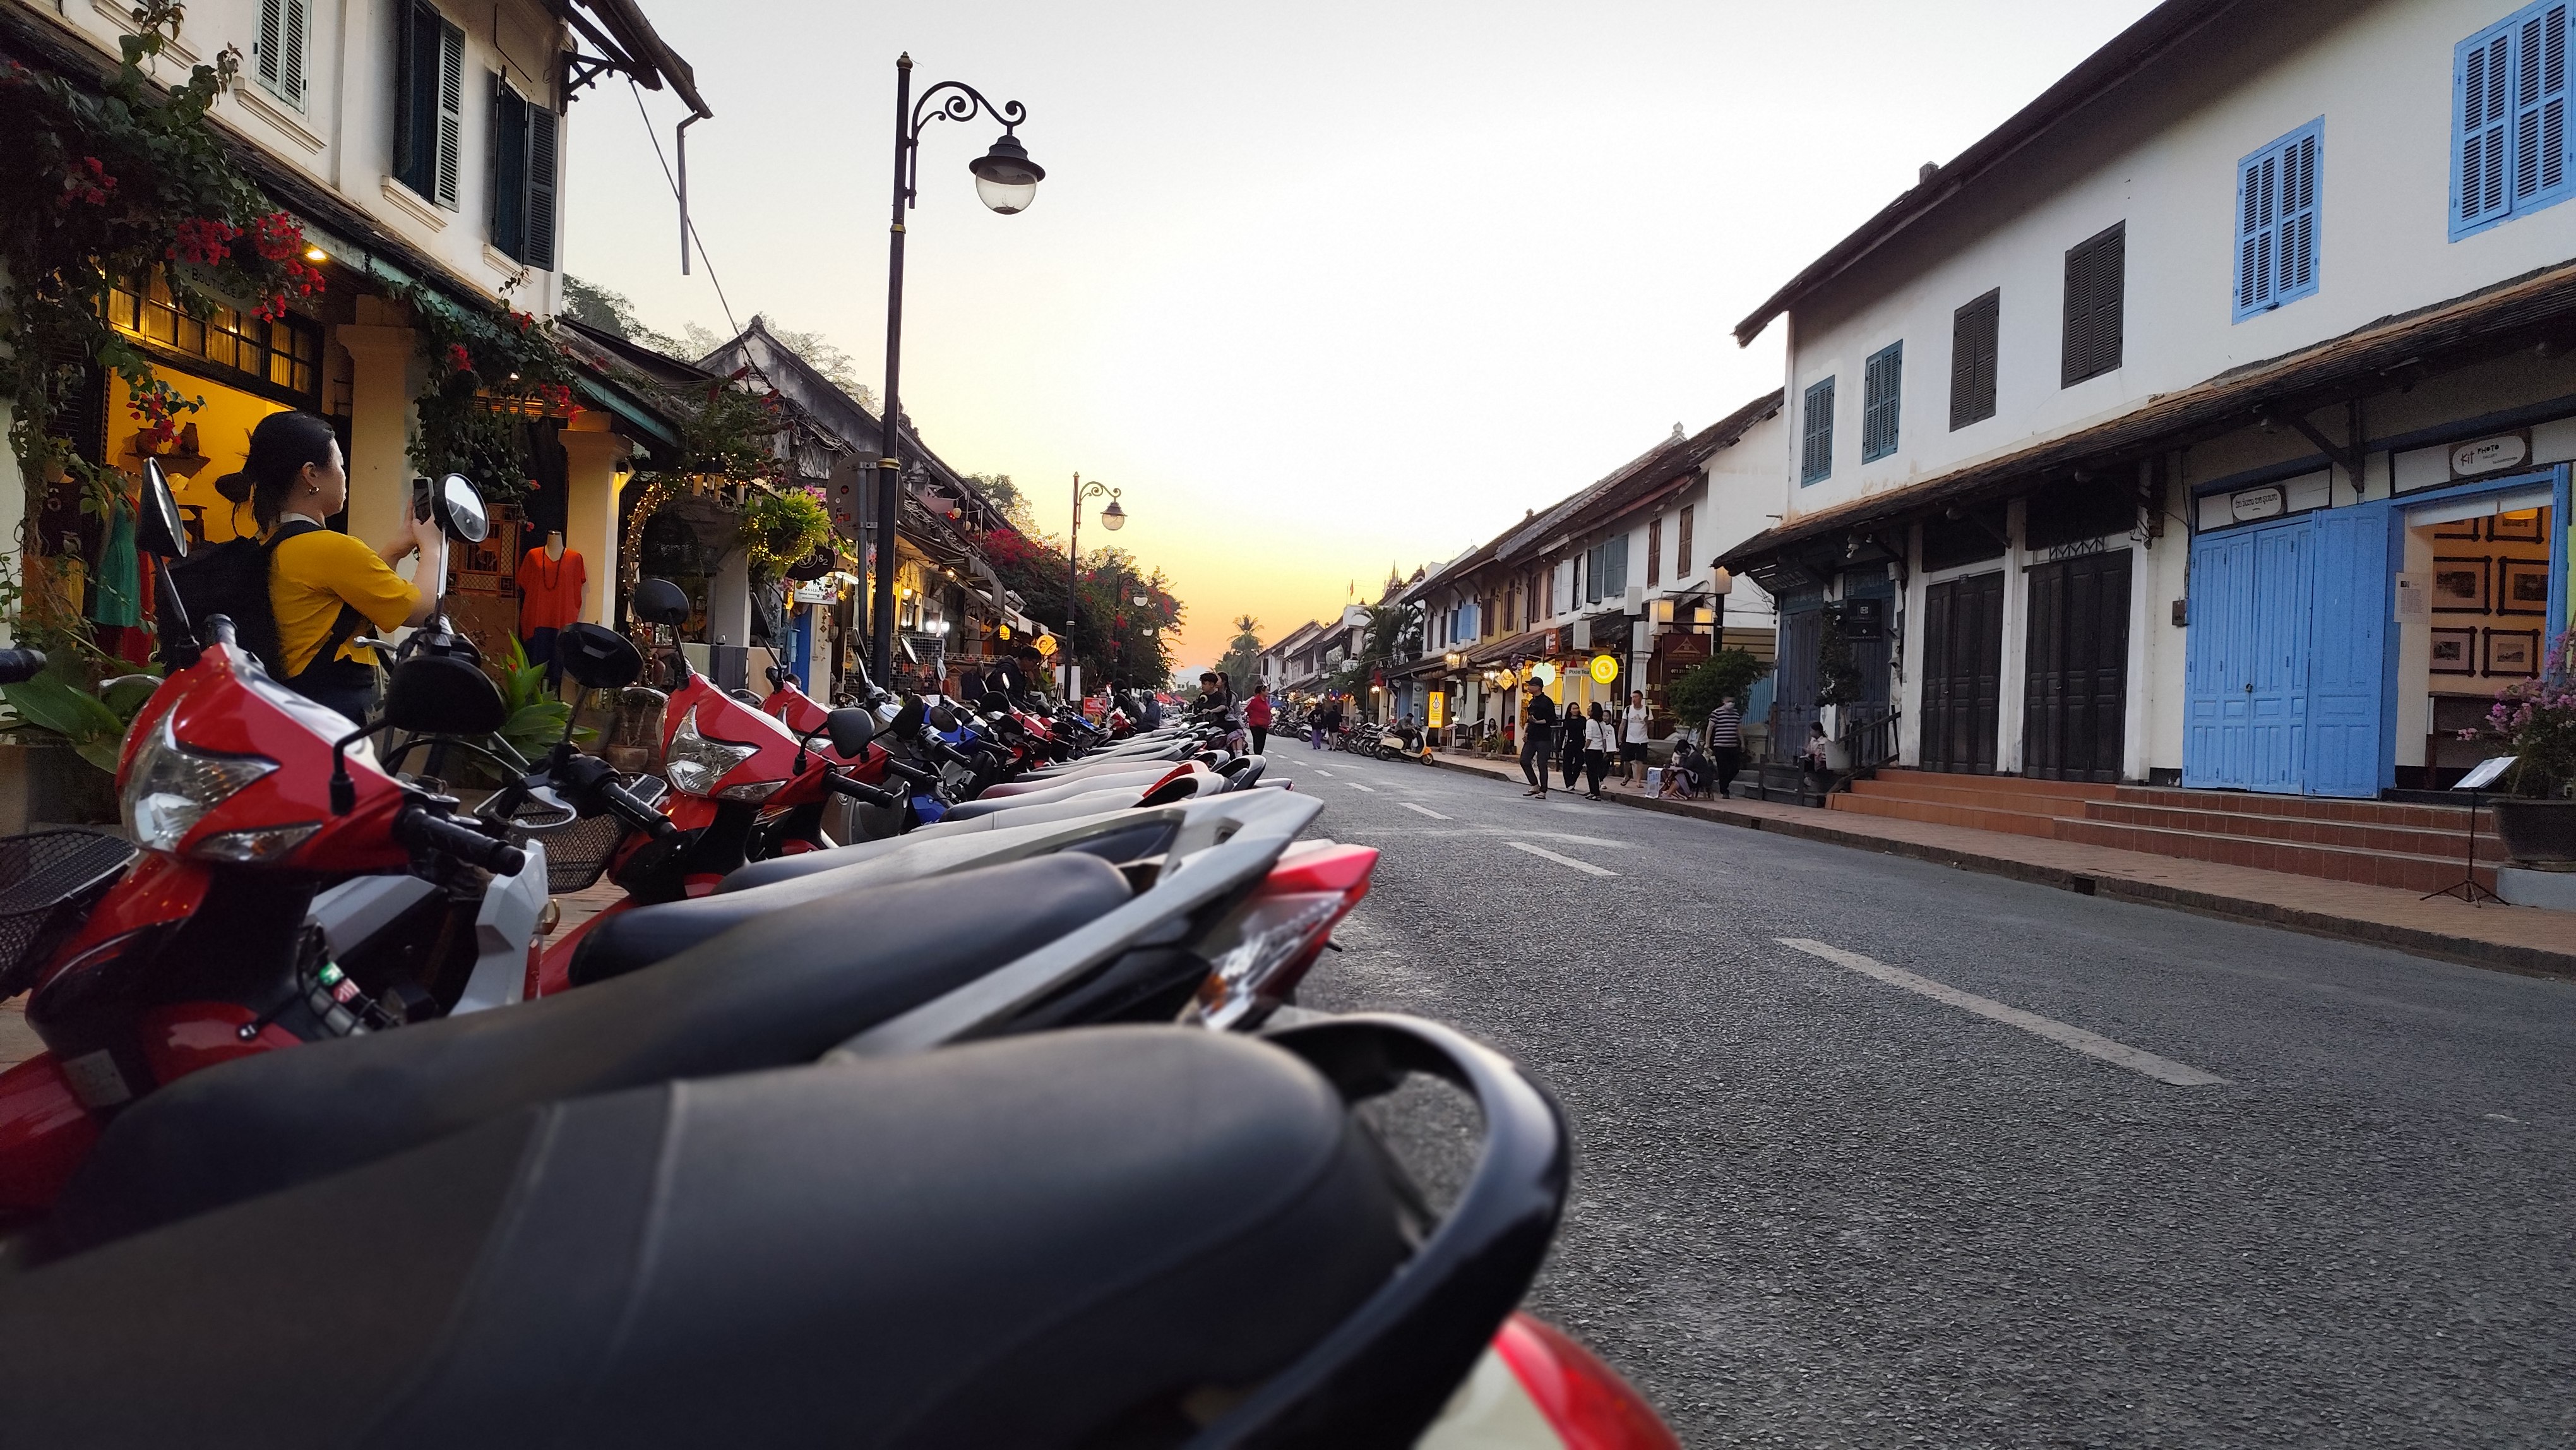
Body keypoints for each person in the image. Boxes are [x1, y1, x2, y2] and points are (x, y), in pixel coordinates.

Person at [215, 410, 443, 724]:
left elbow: (351, 601)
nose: (344, 476)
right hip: (327, 715)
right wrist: (434, 547)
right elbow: (418, 611)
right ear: (311, 474)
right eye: (340, 465)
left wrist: (396, 549)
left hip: (284, 708)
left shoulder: (267, 542)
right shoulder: (331, 549)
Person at [1517, 680, 1558, 797]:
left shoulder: (1547, 702)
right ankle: (1534, 784)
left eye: (1531, 685)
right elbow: (1529, 719)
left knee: (1542, 763)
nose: (1529, 687)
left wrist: (1538, 722)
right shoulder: (1532, 702)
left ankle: (1543, 790)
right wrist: (1525, 732)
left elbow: (1551, 719)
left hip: (1543, 737)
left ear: (1538, 687)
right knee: (1524, 760)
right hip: (1531, 736)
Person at [1705, 693, 1746, 799]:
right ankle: (1724, 790)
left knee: (1735, 768)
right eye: (1729, 701)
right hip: (1720, 746)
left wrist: (1742, 742)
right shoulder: (1717, 713)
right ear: (1723, 702)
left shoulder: (1736, 714)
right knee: (1723, 768)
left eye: (1732, 701)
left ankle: (1724, 783)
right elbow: (1710, 728)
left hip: (1733, 746)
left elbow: (1739, 729)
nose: (1731, 704)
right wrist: (1707, 743)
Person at [1582, 701, 1614, 800]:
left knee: (1591, 772)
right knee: (1595, 771)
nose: (1588, 710)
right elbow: (1604, 739)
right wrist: (1605, 750)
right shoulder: (1602, 723)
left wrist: (1585, 748)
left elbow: (1589, 738)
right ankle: (1594, 792)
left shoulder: (1590, 722)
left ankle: (1595, 793)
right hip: (1599, 750)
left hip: (1591, 749)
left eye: (1590, 708)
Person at [1619, 690, 1652, 788]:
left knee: (1640, 761)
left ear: (1641, 698)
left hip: (1642, 739)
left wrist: (1647, 722)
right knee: (1626, 760)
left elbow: (1652, 724)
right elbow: (1623, 723)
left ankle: (1638, 781)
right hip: (1630, 739)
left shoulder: (1647, 710)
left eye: (1636, 697)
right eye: (1633, 697)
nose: (1634, 699)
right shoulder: (1628, 709)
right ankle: (1627, 776)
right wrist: (1619, 737)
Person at [1662, 734, 1710, 800]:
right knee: (1677, 775)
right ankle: (1668, 792)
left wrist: (1683, 757)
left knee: (1681, 776)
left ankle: (1669, 794)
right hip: (1694, 777)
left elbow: (1685, 766)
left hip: (1702, 778)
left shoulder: (1695, 756)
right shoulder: (1690, 756)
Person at [1558, 697, 1585, 790]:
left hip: (1580, 743)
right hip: (1570, 743)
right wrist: (1560, 747)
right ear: (1570, 710)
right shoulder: (1567, 721)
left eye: (1577, 708)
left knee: (1579, 763)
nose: (1576, 710)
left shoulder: (1583, 720)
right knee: (1567, 764)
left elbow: (1586, 732)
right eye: (1574, 709)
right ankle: (1569, 783)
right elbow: (1563, 734)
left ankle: (1573, 780)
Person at [1244, 685, 1273, 754]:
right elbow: (1248, 709)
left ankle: (1259, 756)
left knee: (1262, 743)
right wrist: (1254, 718)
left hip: (1264, 725)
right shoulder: (1255, 701)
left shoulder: (1266, 701)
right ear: (1262, 691)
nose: (1268, 692)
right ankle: (1257, 756)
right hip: (1255, 725)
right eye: (1267, 690)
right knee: (1257, 742)